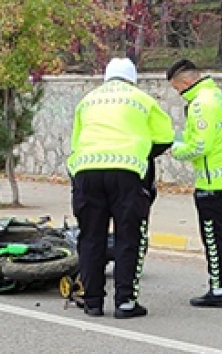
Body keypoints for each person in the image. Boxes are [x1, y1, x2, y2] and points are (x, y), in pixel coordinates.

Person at [67, 57, 175, 319]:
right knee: (128, 236)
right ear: (133, 78)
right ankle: (125, 302)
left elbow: (76, 142)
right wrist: (142, 153)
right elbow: (165, 138)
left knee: (91, 238)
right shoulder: (142, 99)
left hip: (86, 172)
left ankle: (92, 302)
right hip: (127, 173)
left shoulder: (87, 100)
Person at [166, 59, 222, 308]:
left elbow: (200, 145)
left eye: (177, 88)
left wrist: (175, 149)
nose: (178, 93)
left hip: (212, 181)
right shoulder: (218, 97)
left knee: (212, 237)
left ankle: (218, 290)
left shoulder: (201, 104)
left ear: (186, 82)